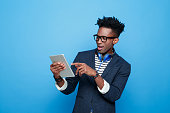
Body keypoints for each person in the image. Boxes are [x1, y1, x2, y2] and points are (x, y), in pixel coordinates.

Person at [50, 16, 131, 113]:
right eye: (98, 37)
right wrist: (57, 76)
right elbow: (69, 88)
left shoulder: (123, 66)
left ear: (115, 40)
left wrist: (95, 74)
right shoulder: (82, 56)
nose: (99, 41)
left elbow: (114, 95)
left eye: (104, 38)